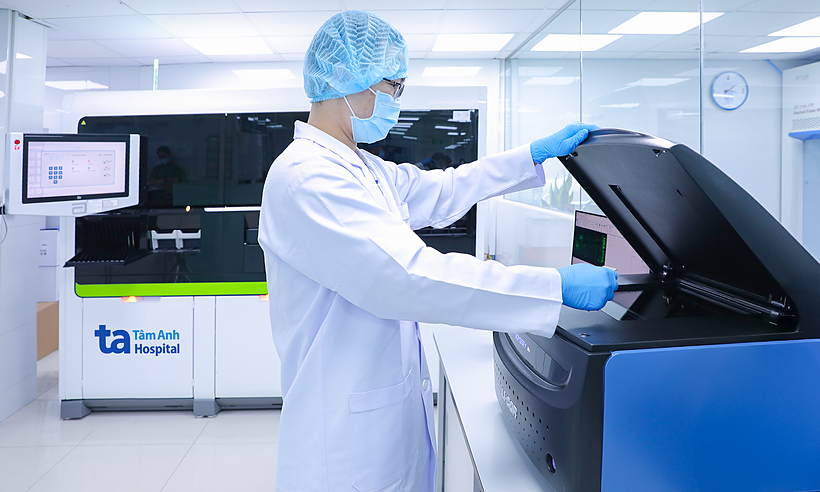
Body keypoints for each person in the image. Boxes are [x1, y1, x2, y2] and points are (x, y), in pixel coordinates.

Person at [258, 10, 617, 492]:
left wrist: (527, 156)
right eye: (393, 86)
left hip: (378, 420)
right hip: (341, 446)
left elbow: (442, 190)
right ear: (347, 80)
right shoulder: (307, 177)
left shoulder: (361, 167)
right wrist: (552, 286)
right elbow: (406, 276)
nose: (397, 101)